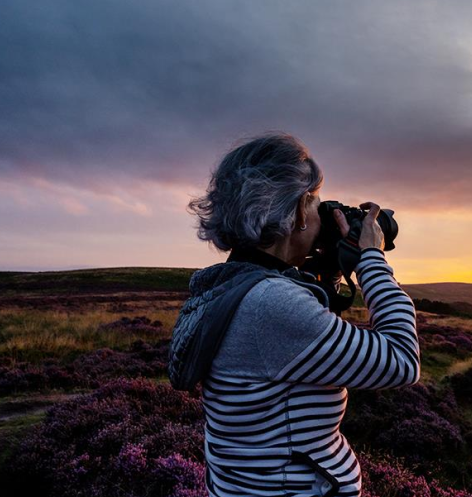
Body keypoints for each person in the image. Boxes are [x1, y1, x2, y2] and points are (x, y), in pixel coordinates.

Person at [175, 132, 420, 497]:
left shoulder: (229, 285)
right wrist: (371, 259)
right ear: (297, 212)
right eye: (316, 201)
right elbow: (400, 360)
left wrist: (328, 274)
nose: (322, 214)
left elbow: (292, 359)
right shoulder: (271, 304)